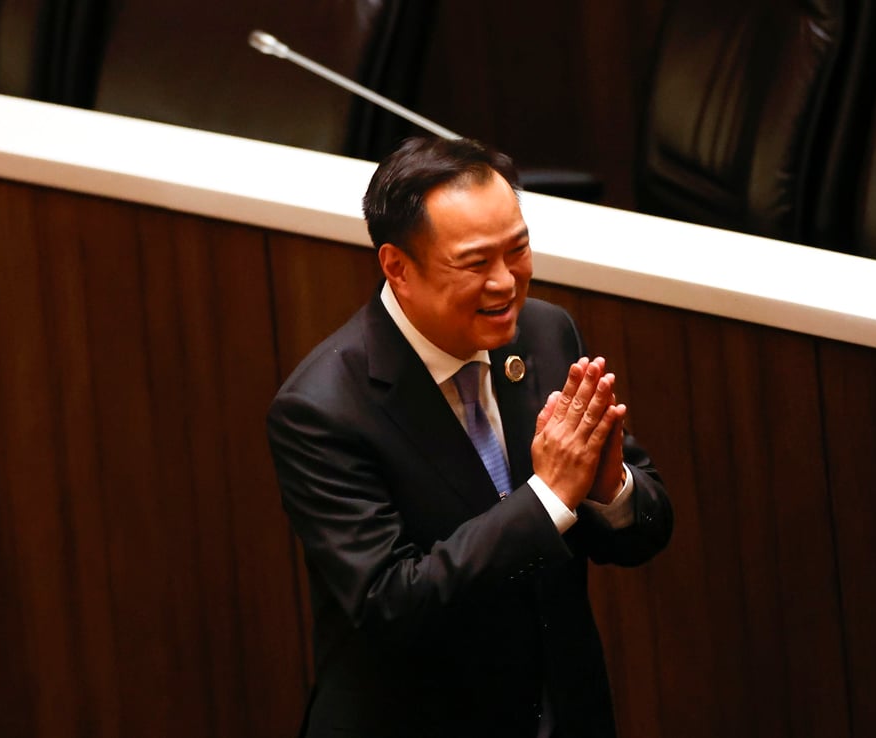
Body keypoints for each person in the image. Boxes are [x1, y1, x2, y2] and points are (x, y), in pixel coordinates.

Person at [266, 136, 673, 738]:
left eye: (519, 250)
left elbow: (646, 531)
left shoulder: (545, 334)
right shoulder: (322, 409)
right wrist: (549, 499)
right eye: (476, 262)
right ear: (397, 267)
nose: (507, 283)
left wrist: (609, 488)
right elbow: (392, 603)